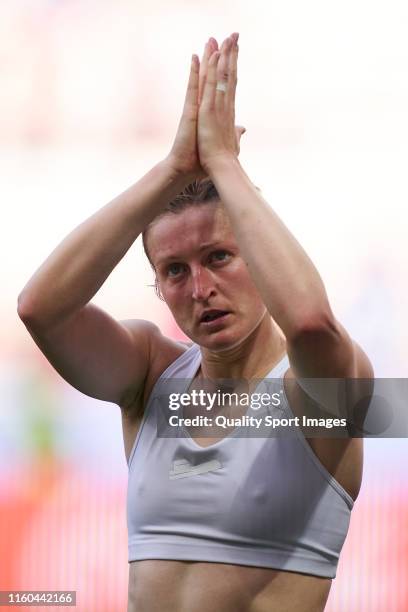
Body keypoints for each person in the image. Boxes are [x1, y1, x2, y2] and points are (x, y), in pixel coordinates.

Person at [18, 32, 373, 612]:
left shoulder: (320, 387)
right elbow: (41, 308)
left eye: (219, 257)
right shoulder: (151, 376)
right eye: (175, 271)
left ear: (258, 255)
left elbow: (310, 322)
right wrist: (171, 169)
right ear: (158, 286)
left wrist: (226, 167)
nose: (201, 289)